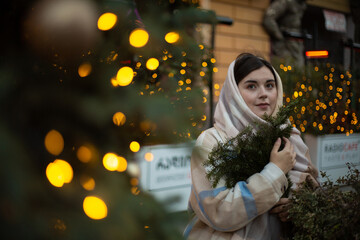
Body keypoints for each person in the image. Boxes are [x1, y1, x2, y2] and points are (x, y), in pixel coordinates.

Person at [184, 53, 318, 240]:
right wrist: (275, 172)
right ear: (234, 93)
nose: (263, 93)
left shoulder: (290, 137)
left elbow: (315, 193)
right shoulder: (212, 142)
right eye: (251, 86)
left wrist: (298, 205)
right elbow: (218, 212)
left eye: (270, 85)